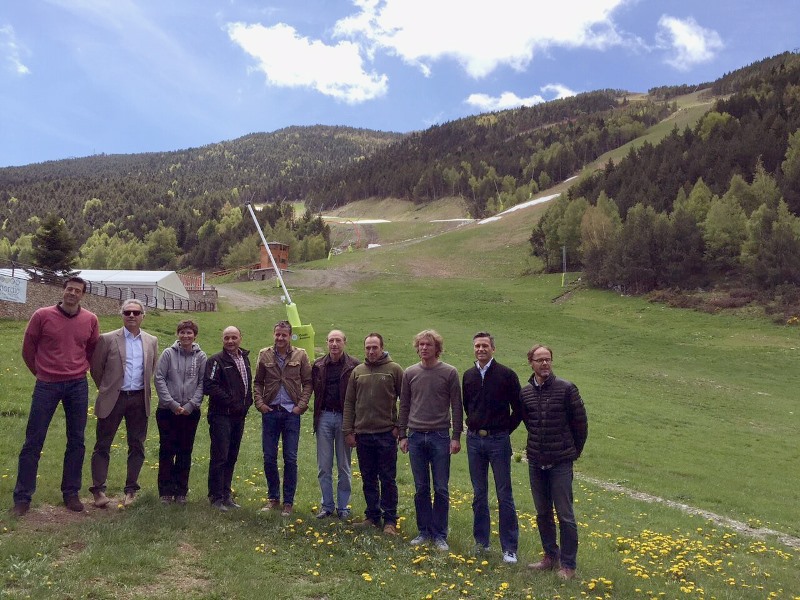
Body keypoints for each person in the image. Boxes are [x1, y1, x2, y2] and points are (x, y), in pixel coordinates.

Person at [12, 277, 100, 516]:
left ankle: (71, 493)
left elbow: (91, 350)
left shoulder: (90, 320)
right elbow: (28, 349)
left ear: (83, 295)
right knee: (33, 441)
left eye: (77, 290)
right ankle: (22, 498)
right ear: (63, 291)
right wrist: (41, 373)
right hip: (47, 385)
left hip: (77, 386)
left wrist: (80, 370)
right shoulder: (42, 315)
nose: (72, 293)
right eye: (69, 289)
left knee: (77, 440)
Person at [520, 344, 588, 581]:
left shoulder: (566, 389)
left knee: (565, 515)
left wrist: (571, 452)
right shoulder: (526, 392)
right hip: (536, 461)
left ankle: (568, 565)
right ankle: (551, 556)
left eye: (548, 359)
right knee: (542, 512)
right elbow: (530, 423)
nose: (545, 363)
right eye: (539, 360)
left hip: (560, 462)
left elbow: (580, 424)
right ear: (531, 363)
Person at [89, 299, 159, 508]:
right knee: (103, 444)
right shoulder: (107, 339)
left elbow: (152, 367)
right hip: (113, 398)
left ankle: (131, 490)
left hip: (139, 398)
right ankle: (99, 490)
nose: (131, 316)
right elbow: (96, 369)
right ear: (122, 315)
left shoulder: (151, 341)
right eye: (127, 312)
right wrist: (108, 388)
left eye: (136, 313)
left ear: (142, 316)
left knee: (137, 445)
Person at [398, 329, 463, 551]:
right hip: (415, 435)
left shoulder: (449, 373)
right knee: (421, 487)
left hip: (440, 436)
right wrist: (402, 435)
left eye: (428, 345)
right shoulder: (410, 373)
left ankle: (440, 535)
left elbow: (456, 406)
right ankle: (423, 531)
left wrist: (456, 437)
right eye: (421, 345)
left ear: (437, 348)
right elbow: (404, 405)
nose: (424, 348)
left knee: (441, 488)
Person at [462, 332, 523, 563]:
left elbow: (518, 409)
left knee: (504, 494)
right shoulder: (468, 375)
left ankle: (509, 548)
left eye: (485, 345)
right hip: (474, 440)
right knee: (479, 494)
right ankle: (482, 543)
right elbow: (468, 405)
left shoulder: (506, 375)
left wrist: (505, 430)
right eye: (477, 345)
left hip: (498, 440)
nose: (480, 349)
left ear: (493, 349)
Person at [342, 333, 403, 534]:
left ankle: (390, 521)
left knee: (387, 478)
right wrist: (348, 430)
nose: (371, 351)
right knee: (368, 477)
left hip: (386, 434)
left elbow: (406, 401)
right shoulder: (357, 372)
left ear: (382, 347)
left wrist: (399, 427)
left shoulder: (394, 369)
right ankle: (372, 516)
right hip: (363, 434)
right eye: (368, 347)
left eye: (374, 347)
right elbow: (350, 402)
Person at [253, 320, 312, 517]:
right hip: (270, 412)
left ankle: (288, 502)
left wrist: (300, 407)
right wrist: (260, 404)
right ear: (274, 334)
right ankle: (273, 498)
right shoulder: (264, 354)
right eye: (277, 334)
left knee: (291, 458)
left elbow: (308, 383)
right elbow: (258, 382)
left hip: (290, 414)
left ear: (290, 336)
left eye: (284, 335)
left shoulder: (300, 355)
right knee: (269, 457)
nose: (280, 338)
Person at [154, 320, 207, 505]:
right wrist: (171, 404)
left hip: (190, 412)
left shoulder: (201, 357)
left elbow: (202, 382)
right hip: (167, 411)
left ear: (195, 336)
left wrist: (192, 405)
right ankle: (165, 492)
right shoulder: (168, 354)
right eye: (182, 332)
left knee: (185, 451)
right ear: (178, 334)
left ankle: (181, 491)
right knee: (167, 450)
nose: (186, 336)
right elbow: (159, 378)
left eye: (189, 333)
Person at [311, 330, 360, 519]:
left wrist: (353, 424)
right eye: (331, 340)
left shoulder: (354, 366)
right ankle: (327, 505)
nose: (334, 344)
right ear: (326, 343)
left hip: (344, 419)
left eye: (338, 340)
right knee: (324, 465)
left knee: (344, 465)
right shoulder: (318, 365)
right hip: (323, 417)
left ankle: (343, 506)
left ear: (344, 343)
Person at [204, 325, 252, 511]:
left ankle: (226, 494)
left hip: (238, 416)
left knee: (232, 455)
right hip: (221, 415)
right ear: (222, 340)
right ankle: (215, 496)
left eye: (234, 337)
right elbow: (210, 385)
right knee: (220, 456)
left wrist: (247, 403)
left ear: (240, 338)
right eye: (227, 338)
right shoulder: (216, 361)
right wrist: (231, 402)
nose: (230, 341)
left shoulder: (244, 358)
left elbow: (246, 383)